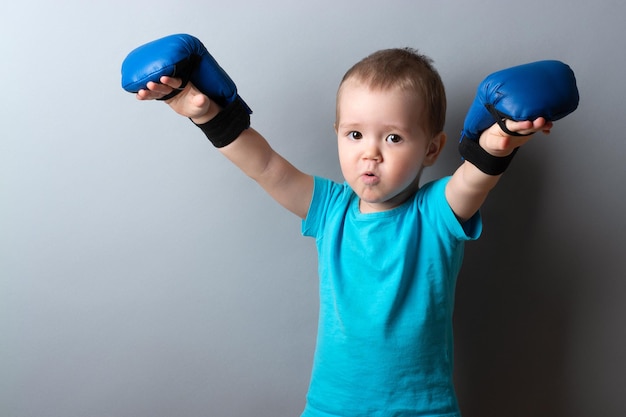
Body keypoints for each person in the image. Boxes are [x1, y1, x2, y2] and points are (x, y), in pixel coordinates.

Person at [135, 48, 552, 417]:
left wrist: (498, 143)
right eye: (355, 134)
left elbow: (473, 180)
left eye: (393, 137)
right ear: (337, 136)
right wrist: (205, 111)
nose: (370, 153)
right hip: (333, 406)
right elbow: (264, 165)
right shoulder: (331, 209)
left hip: (424, 408)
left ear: (431, 149)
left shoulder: (435, 213)